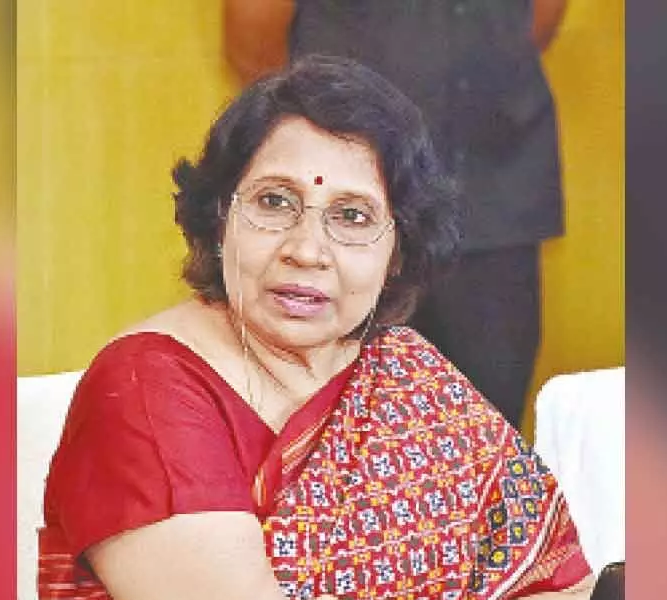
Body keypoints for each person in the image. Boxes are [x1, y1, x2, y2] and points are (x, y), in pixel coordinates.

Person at [36, 56, 591, 600]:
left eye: (352, 216)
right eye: (275, 202)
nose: (307, 249)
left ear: (398, 250)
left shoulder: (410, 376)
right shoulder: (149, 393)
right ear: (219, 221)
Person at [225, 0, 569, 430]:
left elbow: (537, 18)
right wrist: (322, 139)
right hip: (348, 193)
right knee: (341, 425)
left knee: (489, 423)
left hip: (494, 182)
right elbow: (254, 37)